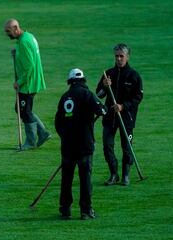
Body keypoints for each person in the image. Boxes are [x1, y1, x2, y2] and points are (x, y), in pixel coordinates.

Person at [55, 68, 107, 220]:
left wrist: (65, 137)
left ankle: (65, 209)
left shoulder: (64, 97)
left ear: (70, 82)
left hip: (67, 146)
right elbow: (102, 111)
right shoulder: (87, 94)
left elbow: (58, 122)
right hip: (84, 145)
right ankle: (85, 210)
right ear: (83, 80)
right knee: (85, 179)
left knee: (66, 179)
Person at [96, 43, 143, 186]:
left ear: (127, 57)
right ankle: (113, 174)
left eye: (121, 56)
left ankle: (126, 175)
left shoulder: (134, 76)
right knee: (107, 146)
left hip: (127, 118)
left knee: (126, 146)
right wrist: (104, 85)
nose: (118, 59)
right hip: (110, 117)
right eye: (116, 56)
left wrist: (123, 106)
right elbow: (99, 94)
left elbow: (138, 97)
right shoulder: (108, 74)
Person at [4, 19, 51, 151]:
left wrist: (19, 82)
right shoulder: (27, 37)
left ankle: (31, 141)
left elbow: (29, 67)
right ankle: (43, 133)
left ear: (15, 28)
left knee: (24, 111)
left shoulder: (24, 42)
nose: (7, 34)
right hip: (32, 81)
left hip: (28, 83)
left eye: (8, 31)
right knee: (23, 109)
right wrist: (16, 52)